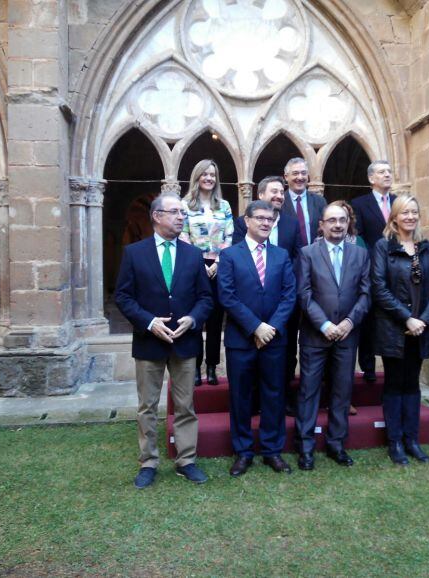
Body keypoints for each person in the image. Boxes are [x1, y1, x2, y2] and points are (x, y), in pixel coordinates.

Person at [114, 193, 213, 489]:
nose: (182, 217)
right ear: (157, 216)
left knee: (186, 405)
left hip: (184, 342)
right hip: (150, 341)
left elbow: (206, 298)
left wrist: (193, 319)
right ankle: (148, 463)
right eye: (175, 212)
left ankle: (186, 460)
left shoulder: (193, 254)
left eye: (182, 213)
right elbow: (123, 296)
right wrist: (149, 321)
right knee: (147, 406)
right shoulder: (135, 253)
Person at [218, 200, 297, 477]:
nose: (266, 222)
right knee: (240, 396)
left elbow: (289, 295)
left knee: (273, 395)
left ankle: (272, 451)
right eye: (260, 218)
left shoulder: (281, 255)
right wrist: (255, 327)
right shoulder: (230, 256)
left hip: (274, 340)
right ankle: (243, 452)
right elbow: (227, 296)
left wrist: (271, 327)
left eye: (270, 219)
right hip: (241, 339)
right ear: (247, 221)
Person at [295, 203, 370, 470]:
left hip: (348, 335)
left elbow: (365, 294)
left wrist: (350, 321)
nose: (337, 225)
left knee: (341, 391)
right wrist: (325, 324)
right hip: (316, 335)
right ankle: (305, 447)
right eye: (332, 220)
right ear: (321, 225)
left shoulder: (360, 254)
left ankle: (336, 444)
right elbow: (303, 294)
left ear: (348, 222)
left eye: (342, 220)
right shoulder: (307, 254)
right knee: (309, 392)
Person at [371, 195, 429, 466]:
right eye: (405, 213)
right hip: (394, 328)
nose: (410, 217)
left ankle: (412, 440)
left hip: (421, 329)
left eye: (414, 212)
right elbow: (379, 288)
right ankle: (395, 442)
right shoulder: (383, 247)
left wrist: (422, 320)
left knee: (412, 385)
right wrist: (406, 319)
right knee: (394, 384)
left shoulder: (427, 248)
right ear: (394, 217)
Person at [180, 160, 234, 386]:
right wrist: (199, 264)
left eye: (213, 174)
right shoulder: (185, 205)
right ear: (197, 177)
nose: (209, 178)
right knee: (195, 320)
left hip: (219, 266)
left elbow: (230, 236)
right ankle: (194, 368)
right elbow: (182, 235)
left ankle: (211, 367)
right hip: (193, 266)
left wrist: (218, 263)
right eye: (205, 174)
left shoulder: (224, 206)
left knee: (214, 321)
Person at [280, 158, 327, 405]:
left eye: (303, 173)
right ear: (285, 177)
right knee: (287, 342)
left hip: (317, 278)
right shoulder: (279, 203)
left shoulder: (319, 202)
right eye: (294, 173)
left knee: (316, 338)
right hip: (287, 277)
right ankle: (286, 393)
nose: (300, 177)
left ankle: (315, 393)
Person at [351, 160, 398, 382]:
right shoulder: (360, 203)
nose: (387, 174)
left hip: (397, 271)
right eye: (382, 172)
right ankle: (368, 367)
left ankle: (393, 364)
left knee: (392, 317)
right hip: (370, 269)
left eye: (389, 171)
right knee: (368, 320)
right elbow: (358, 237)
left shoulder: (399, 203)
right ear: (371, 178)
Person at [232, 176, 302, 262]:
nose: (279, 196)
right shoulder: (243, 222)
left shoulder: (292, 224)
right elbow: (237, 255)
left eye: (282, 192)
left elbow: (297, 258)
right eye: (274, 192)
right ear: (261, 195)